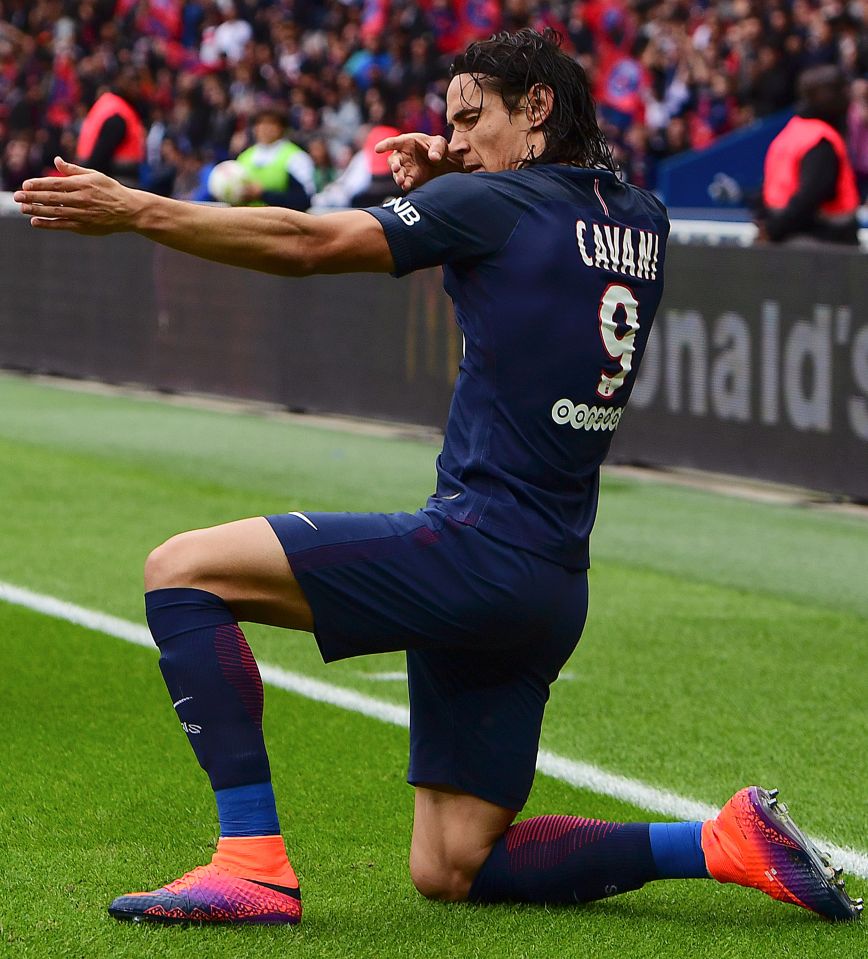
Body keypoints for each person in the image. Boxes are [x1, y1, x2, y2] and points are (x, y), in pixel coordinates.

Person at [15, 29, 861, 928]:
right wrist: (452, 180)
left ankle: (249, 862)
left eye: (470, 119)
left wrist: (137, 209)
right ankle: (719, 840)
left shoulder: (488, 205)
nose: (454, 141)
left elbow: (306, 243)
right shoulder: (643, 214)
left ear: (537, 107)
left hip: (472, 550)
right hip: (550, 585)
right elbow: (531, 252)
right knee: (452, 863)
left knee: (180, 571)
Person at [759, 65, 860, 245]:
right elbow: (810, 197)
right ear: (818, 95)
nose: (847, 97)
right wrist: (774, 229)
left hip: (789, 241)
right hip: (821, 246)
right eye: (838, 90)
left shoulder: (790, 133)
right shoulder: (820, 140)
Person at [232, 105, 316, 210]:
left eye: (271, 123)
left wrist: (264, 194)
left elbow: (304, 200)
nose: (265, 128)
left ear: (282, 128)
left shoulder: (296, 157)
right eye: (260, 123)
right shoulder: (244, 157)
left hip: (281, 224)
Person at [75, 70, 146, 188]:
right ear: (120, 81)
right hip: (115, 188)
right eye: (132, 82)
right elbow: (100, 158)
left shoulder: (107, 105)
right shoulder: (118, 115)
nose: (137, 88)